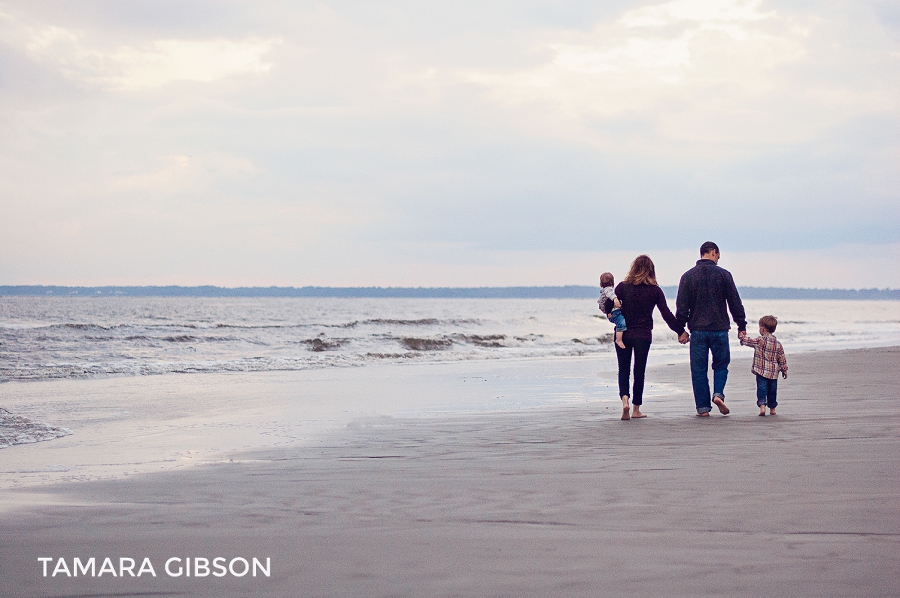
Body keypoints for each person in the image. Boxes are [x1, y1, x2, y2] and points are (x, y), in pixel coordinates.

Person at [676, 241, 747, 417]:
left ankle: (703, 409)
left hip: (698, 331)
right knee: (721, 365)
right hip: (720, 329)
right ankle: (718, 394)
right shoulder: (724, 275)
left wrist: (680, 330)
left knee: (698, 369)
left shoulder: (688, 276)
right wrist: (741, 325)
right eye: (718, 256)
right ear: (714, 252)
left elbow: (682, 307)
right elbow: (734, 302)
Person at [614, 255, 685, 420]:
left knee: (623, 369)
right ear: (651, 271)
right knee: (639, 371)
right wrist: (680, 331)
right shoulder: (655, 291)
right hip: (643, 335)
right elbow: (666, 314)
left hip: (622, 334)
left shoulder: (622, 287)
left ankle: (625, 400)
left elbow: (608, 306)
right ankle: (635, 409)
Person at [740, 315, 788, 416]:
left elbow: (749, 341)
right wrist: (784, 370)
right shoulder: (778, 343)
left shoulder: (759, 340)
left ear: (762, 329)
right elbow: (782, 358)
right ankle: (772, 408)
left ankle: (762, 406)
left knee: (761, 389)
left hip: (761, 371)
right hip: (773, 373)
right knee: (772, 390)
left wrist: (742, 337)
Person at [597, 272, 626, 349]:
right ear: (613, 282)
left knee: (622, 321)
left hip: (612, 311)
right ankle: (618, 340)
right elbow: (610, 294)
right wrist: (615, 299)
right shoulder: (608, 290)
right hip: (613, 312)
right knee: (622, 323)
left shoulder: (607, 290)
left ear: (600, 284)